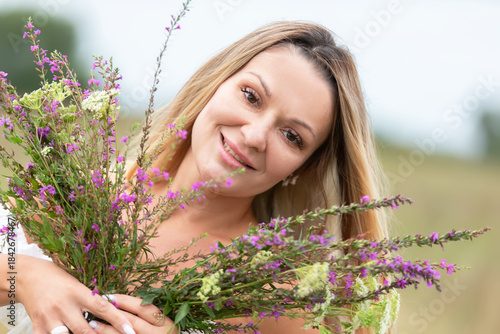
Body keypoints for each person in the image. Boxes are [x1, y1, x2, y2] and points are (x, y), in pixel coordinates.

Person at [0, 21, 388, 334]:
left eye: (292, 136)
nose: (254, 136)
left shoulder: (273, 292)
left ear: (303, 167)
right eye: (251, 96)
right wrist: (30, 277)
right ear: (216, 83)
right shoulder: (86, 195)